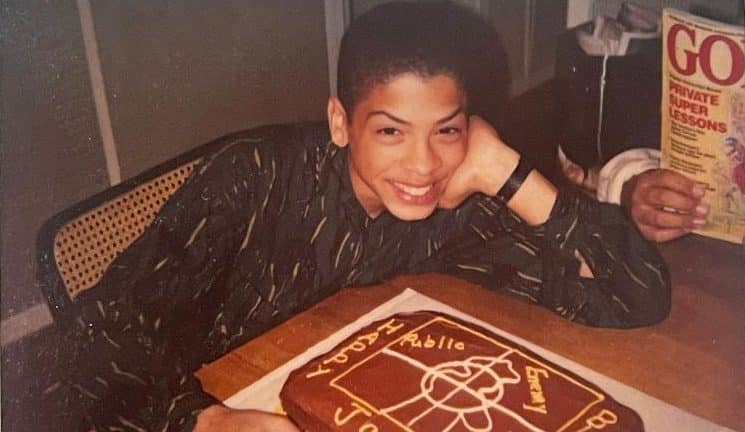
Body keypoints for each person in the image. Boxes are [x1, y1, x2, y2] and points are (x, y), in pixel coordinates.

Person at [58, 3, 670, 431]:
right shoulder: (254, 177)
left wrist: (510, 173)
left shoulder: (445, 205)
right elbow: (97, 330)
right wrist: (201, 419)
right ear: (339, 122)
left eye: (448, 130)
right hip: (183, 400)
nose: (423, 163)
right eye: (390, 131)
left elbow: (632, 297)